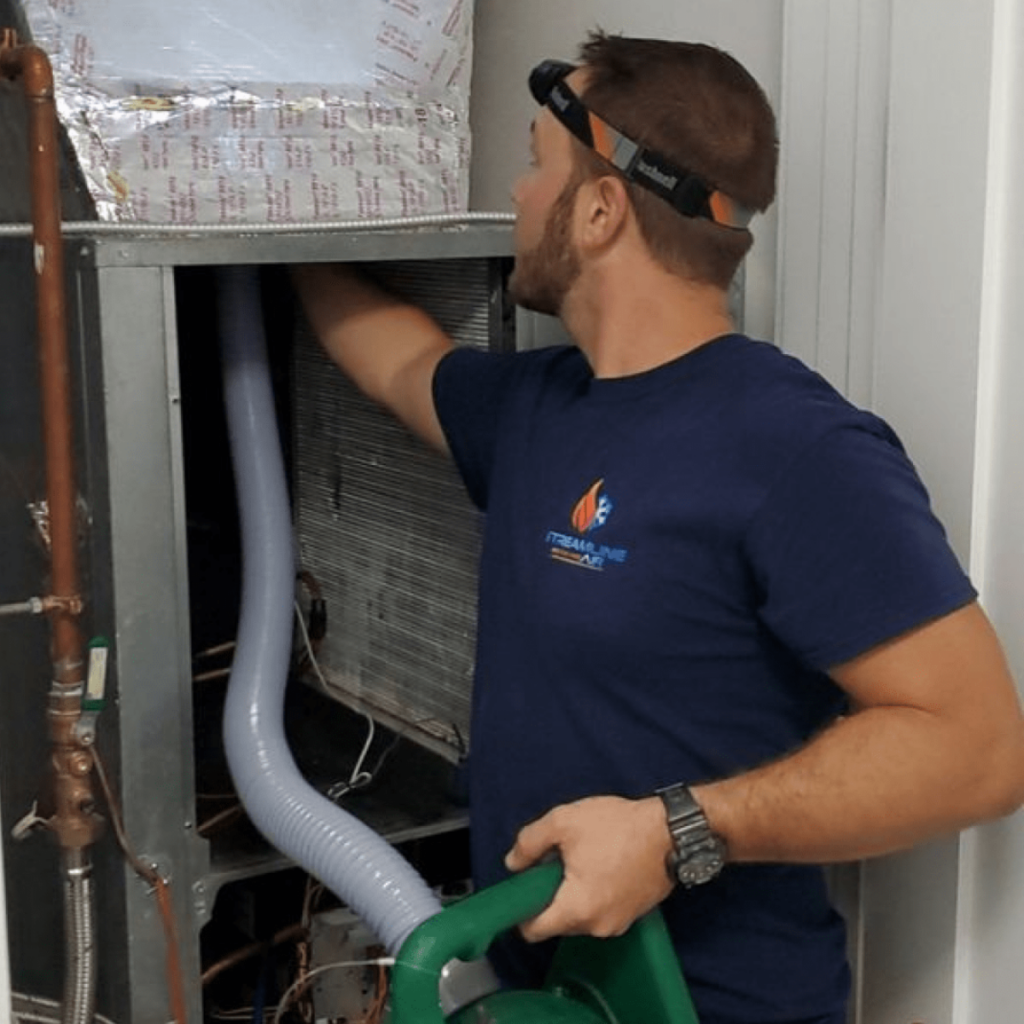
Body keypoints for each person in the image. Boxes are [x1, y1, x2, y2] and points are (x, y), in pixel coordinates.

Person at [293, 31, 1024, 1024]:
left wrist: (676, 829)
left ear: (597, 210)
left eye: (534, 167)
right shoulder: (537, 407)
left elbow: (975, 749)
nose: (514, 194)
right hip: (555, 995)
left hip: (717, 1005)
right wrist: (279, 227)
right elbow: (396, 363)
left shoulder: (793, 446)